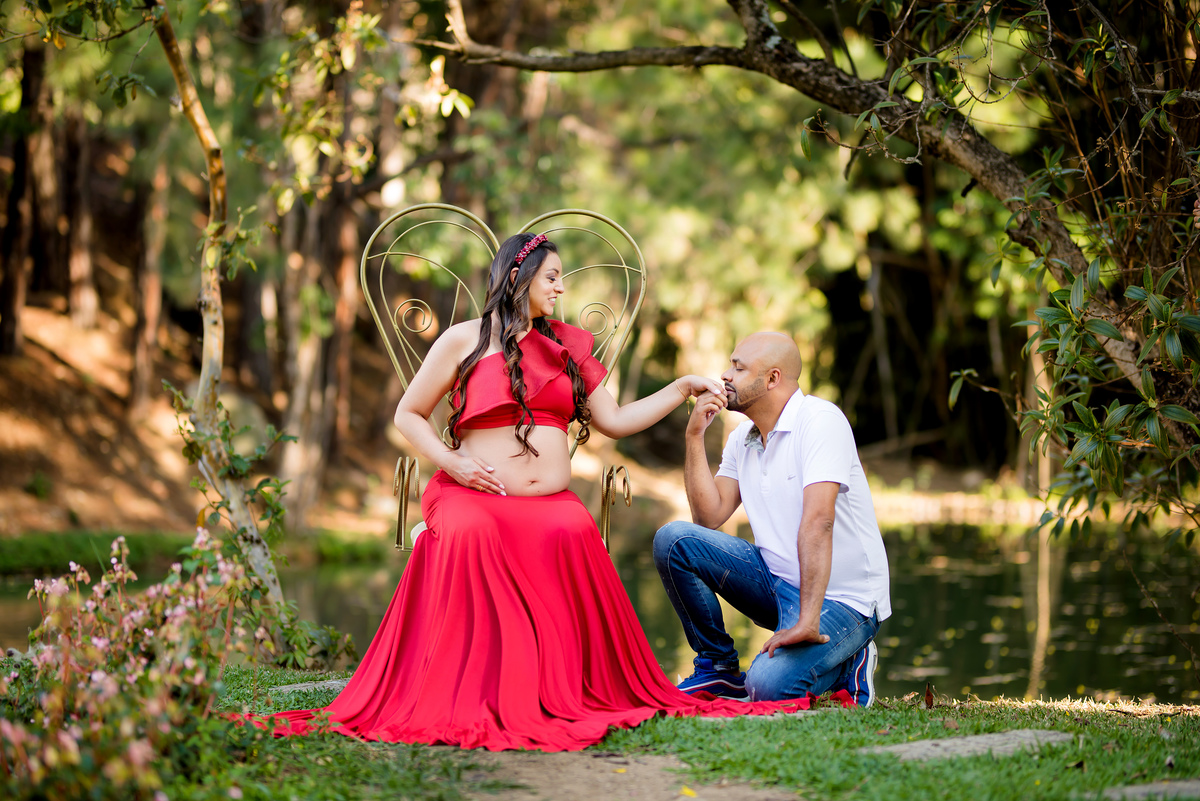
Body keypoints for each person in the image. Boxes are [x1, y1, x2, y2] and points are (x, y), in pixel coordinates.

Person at [251, 235, 845, 752]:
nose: (561, 288)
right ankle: (480, 682)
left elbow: (615, 420)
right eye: (553, 277)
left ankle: (558, 682)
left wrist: (680, 387)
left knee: (574, 526)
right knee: (474, 531)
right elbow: (408, 414)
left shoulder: (570, 345)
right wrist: (453, 463)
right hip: (471, 493)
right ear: (520, 276)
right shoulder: (462, 340)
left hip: (548, 504)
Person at [654, 332, 890, 706]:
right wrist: (694, 436)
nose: (725, 375)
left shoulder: (820, 421)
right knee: (674, 540)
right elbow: (708, 516)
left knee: (766, 688)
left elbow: (819, 521)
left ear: (772, 378)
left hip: (844, 600)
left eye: (738, 368)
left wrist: (808, 621)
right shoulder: (742, 438)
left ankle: (851, 661)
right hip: (774, 582)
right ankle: (718, 667)